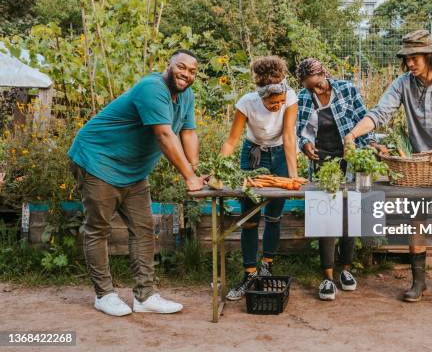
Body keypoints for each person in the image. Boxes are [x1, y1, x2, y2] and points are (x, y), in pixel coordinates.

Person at [344, 30, 432, 302]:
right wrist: (353, 134)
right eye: (406, 59)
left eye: (415, 58)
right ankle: (418, 282)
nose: (409, 64)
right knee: (417, 219)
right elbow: (379, 113)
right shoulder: (403, 84)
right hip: (417, 165)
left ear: (431, 56)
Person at [68, 50, 206, 316]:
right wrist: (187, 177)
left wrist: (196, 171)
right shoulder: (152, 88)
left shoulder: (186, 95)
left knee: (143, 229)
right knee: (98, 229)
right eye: (182, 67)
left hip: (133, 171)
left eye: (192, 71)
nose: (187, 74)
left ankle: (145, 297)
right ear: (168, 65)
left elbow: (188, 132)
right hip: (97, 160)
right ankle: (104, 295)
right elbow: (165, 135)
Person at [295, 57, 378, 301]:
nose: (315, 90)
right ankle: (328, 277)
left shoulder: (346, 89)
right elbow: (301, 130)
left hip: (349, 158)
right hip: (322, 161)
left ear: (324, 75)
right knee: (325, 216)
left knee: (349, 215)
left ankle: (346, 271)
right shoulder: (302, 97)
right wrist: (305, 145)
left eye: (318, 84)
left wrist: (373, 144)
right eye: (310, 86)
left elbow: (363, 117)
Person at [221, 56, 299, 301]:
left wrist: (293, 177)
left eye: (280, 102)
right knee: (250, 218)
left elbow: (288, 138)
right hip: (253, 156)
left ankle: (267, 266)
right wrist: (218, 169)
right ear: (261, 97)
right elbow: (232, 140)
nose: (277, 106)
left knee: (274, 216)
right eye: (272, 103)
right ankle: (249, 273)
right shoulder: (247, 103)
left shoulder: (291, 97)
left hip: (279, 156)